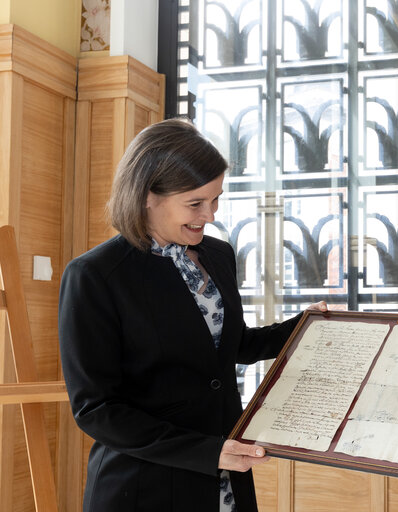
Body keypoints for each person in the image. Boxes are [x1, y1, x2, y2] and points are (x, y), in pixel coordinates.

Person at [59, 118, 326, 512]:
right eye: (195, 203)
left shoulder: (217, 255)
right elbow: (96, 410)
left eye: (216, 199)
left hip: (227, 478)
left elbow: (232, 345)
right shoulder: (94, 275)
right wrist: (207, 452)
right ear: (147, 195)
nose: (211, 215)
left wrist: (307, 326)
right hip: (142, 486)